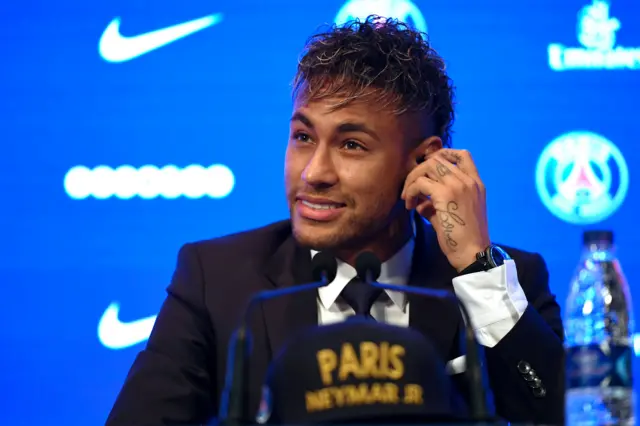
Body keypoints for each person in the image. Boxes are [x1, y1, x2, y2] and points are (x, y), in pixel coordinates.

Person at [106, 15, 564, 426]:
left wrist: (476, 269)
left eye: (351, 145)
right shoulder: (217, 280)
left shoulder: (507, 283)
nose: (314, 173)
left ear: (424, 162)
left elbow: (562, 414)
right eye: (303, 136)